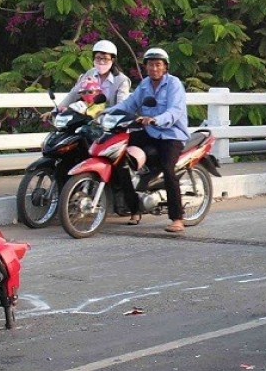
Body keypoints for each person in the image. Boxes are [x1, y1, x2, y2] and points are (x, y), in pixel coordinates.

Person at [106, 47, 190, 233]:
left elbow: (175, 111)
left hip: (171, 134)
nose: (154, 68)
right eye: (150, 65)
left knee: (169, 169)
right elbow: (129, 104)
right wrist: (103, 113)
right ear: (145, 67)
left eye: (158, 64)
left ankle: (177, 218)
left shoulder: (174, 84)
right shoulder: (144, 85)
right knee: (118, 156)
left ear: (165, 67)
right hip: (150, 132)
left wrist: (155, 119)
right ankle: (134, 208)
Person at [42, 40, 131, 120]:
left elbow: (122, 105)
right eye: (98, 58)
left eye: (106, 59)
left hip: (109, 123)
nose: (101, 62)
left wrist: (104, 113)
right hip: (87, 121)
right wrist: (54, 112)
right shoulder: (90, 73)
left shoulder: (122, 80)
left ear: (113, 60)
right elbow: (74, 94)